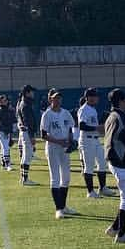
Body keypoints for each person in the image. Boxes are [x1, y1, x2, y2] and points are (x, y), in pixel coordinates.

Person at [103, 88, 125, 243]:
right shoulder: (118, 117)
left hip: (116, 160)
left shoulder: (113, 115)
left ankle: (115, 227)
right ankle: (121, 234)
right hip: (120, 161)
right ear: (120, 101)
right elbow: (123, 138)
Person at [40, 88, 78, 219]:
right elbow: (43, 135)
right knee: (55, 178)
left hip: (64, 148)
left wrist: (71, 140)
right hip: (52, 148)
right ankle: (58, 209)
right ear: (50, 99)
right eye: (55, 97)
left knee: (66, 178)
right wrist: (58, 141)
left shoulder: (66, 113)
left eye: (59, 97)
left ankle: (64, 206)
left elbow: (71, 128)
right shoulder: (47, 114)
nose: (58, 99)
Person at [77, 87, 114, 199]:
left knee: (102, 163)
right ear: (87, 98)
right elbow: (81, 126)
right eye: (92, 96)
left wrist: (99, 129)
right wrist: (97, 127)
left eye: (96, 96)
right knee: (89, 167)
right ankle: (90, 192)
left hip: (95, 140)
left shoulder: (93, 110)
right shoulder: (84, 109)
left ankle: (102, 188)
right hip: (87, 140)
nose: (95, 98)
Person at [16, 84, 40, 186]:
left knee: (25, 156)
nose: (33, 93)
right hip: (27, 132)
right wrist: (32, 136)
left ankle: (23, 178)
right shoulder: (25, 105)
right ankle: (25, 179)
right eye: (31, 92)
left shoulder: (22, 103)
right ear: (27, 93)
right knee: (27, 155)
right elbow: (28, 121)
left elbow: (19, 118)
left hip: (24, 131)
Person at [0, 94, 17, 171]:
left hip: (6, 131)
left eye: (4, 100)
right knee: (5, 148)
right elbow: (1, 124)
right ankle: (8, 165)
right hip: (2, 132)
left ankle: (4, 164)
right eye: (3, 100)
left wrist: (10, 133)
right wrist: (8, 132)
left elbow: (12, 120)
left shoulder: (7, 109)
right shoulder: (0, 111)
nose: (5, 101)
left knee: (5, 148)